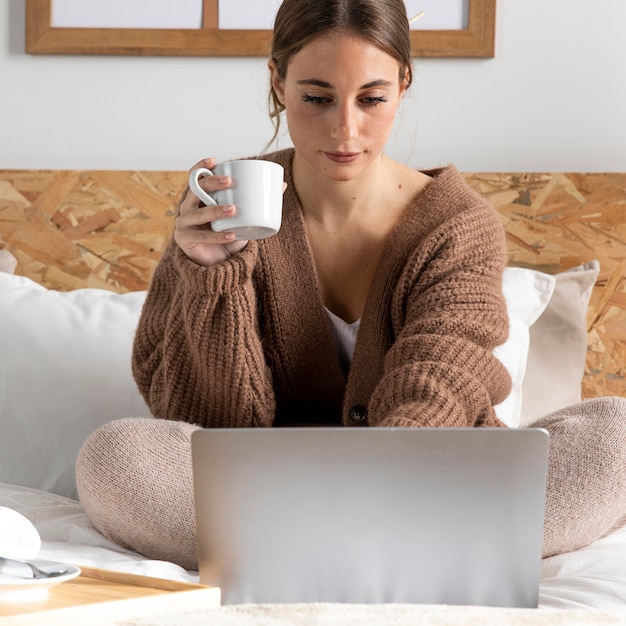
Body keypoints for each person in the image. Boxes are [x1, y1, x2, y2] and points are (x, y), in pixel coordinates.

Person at [76, 0, 626, 571]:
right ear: (278, 81)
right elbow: (213, 425)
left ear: (403, 84)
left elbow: (438, 383)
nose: (345, 129)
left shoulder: (455, 224)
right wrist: (212, 275)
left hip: (428, 474)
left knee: (616, 437)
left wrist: (377, 486)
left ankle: (296, 549)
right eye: (316, 98)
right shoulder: (224, 208)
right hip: (286, 484)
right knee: (116, 457)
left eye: (372, 98)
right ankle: (418, 551)